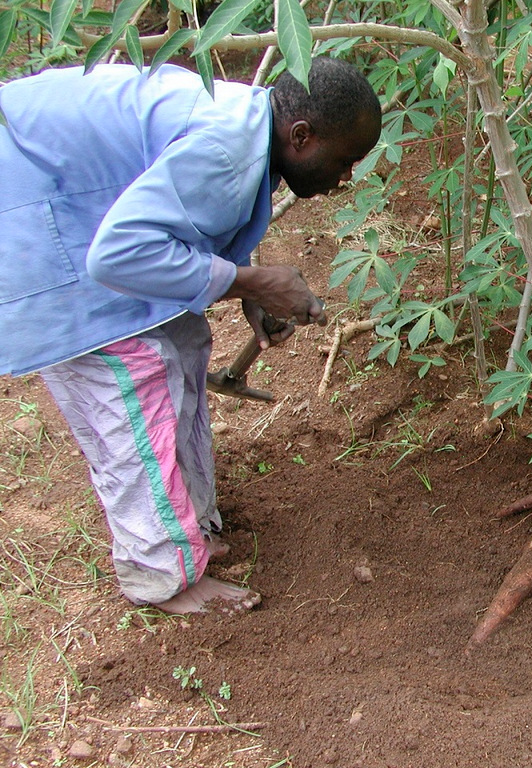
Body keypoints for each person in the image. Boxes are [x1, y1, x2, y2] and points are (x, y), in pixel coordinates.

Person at [0, 57, 382, 613]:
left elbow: (186, 216)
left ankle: (188, 527)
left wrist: (247, 287)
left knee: (180, 340)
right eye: (346, 160)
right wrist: (250, 279)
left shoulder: (252, 122)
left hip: (73, 203)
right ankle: (162, 575)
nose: (346, 178)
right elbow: (116, 255)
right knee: (131, 382)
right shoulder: (228, 151)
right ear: (301, 136)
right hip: (32, 221)